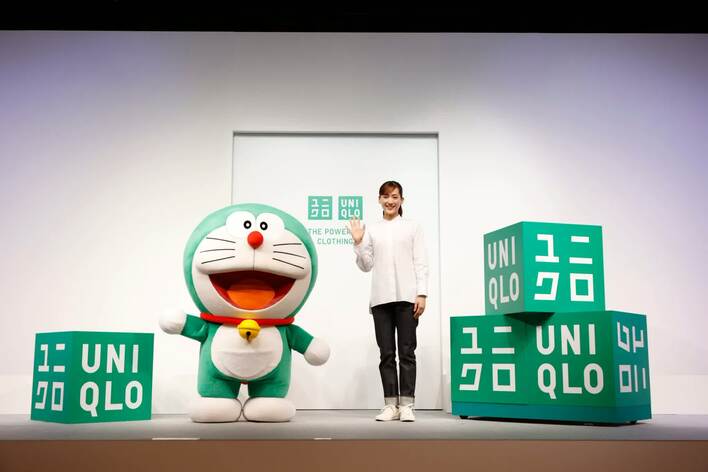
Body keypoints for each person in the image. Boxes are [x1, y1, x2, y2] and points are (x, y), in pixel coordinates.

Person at [347, 180, 428, 422]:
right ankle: (390, 405)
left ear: (402, 200)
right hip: (381, 299)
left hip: (407, 297)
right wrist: (358, 241)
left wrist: (422, 294)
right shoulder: (372, 230)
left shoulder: (412, 227)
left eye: (394, 196)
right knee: (386, 354)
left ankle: (407, 405)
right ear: (379, 200)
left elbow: (421, 262)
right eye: (385, 197)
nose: (390, 201)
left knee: (407, 352)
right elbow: (366, 265)